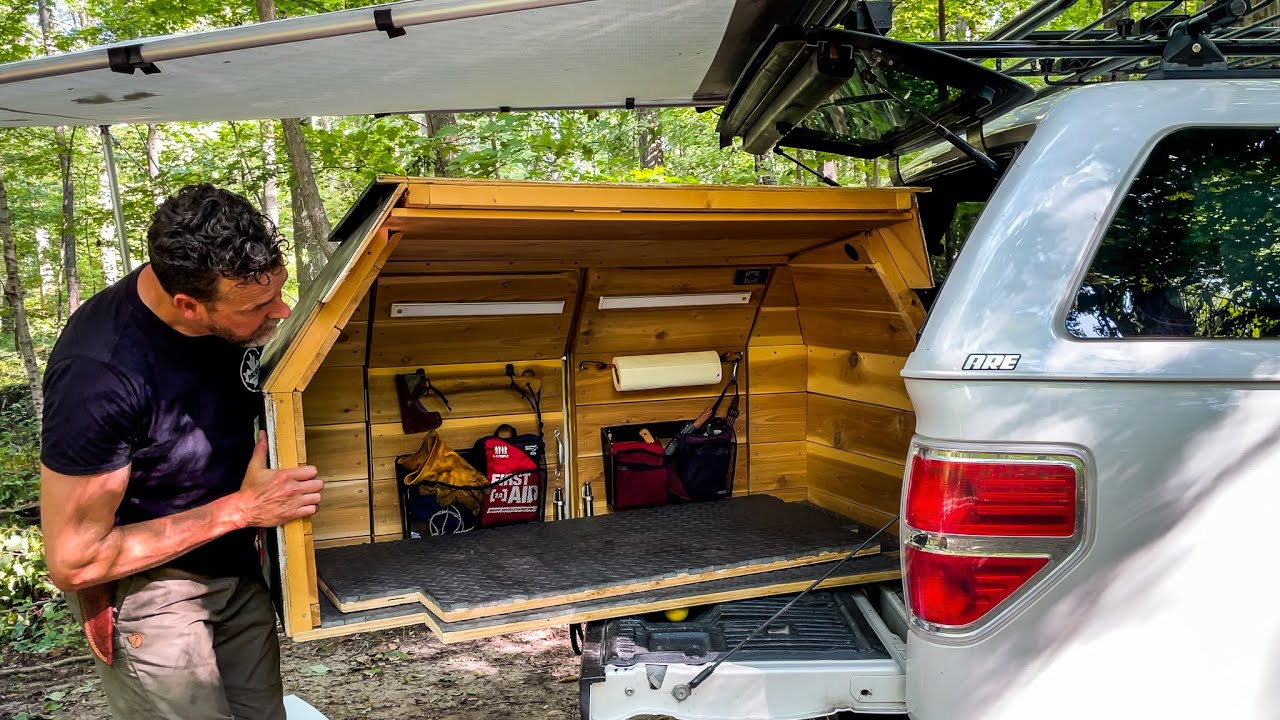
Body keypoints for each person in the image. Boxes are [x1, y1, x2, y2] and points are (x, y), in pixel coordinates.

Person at [39, 184, 323, 720]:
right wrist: (243, 510)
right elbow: (74, 560)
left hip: (238, 568)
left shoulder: (227, 316)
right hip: (152, 594)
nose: (281, 311)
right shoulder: (100, 374)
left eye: (279, 290)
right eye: (260, 305)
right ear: (189, 306)